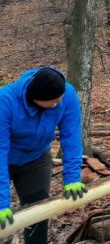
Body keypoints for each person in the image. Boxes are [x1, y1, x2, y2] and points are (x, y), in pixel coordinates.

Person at [0, 67, 86, 243]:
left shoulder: (66, 94)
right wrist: (1, 203)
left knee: (37, 217)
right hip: (5, 159)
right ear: (37, 99)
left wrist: (72, 178)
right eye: (54, 100)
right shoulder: (5, 101)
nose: (60, 101)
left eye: (60, 96)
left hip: (36, 159)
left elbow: (71, 136)